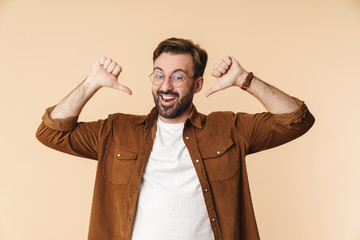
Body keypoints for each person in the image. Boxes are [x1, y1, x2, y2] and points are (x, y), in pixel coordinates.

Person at [36, 37, 315, 240]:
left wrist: (245, 79)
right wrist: (91, 83)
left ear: (198, 84)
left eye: (178, 77)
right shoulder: (116, 130)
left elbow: (296, 120)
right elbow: (50, 132)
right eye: (158, 75)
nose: (165, 86)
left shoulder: (228, 128)